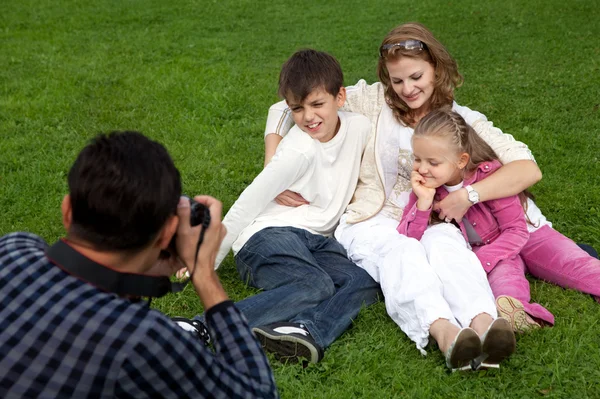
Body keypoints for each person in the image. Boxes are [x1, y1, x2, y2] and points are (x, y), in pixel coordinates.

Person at [264, 22, 599, 365]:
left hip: (432, 218)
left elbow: (527, 168)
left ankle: (485, 326)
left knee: (450, 252)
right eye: (397, 80)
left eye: (416, 77)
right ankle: (447, 335)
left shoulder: (459, 121)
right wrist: (274, 166)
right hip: (371, 218)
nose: (407, 89)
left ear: (435, 69)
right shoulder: (373, 101)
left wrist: (467, 197)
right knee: (403, 255)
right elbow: (284, 108)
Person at [0, 131, 278, 399]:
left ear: (67, 211)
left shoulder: (13, 250)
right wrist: (203, 273)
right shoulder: (141, 340)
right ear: (168, 233)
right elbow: (258, 393)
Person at [208, 49, 380, 364]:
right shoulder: (297, 151)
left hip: (317, 239)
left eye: (317, 105)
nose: (308, 117)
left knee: (364, 281)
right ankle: (204, 328)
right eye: (297, 109)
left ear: (340, 97)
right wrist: (210, 260)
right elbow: (250, 201)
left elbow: (280, 106)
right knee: (313, 284)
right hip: (267, 236)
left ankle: (306, 330)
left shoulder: (360, 127)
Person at [397, 109, 555, 333]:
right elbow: (407, 242)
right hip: (475, 257)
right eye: (417, 159)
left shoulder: (487, 176)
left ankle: (517, 310)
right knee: (494, 284)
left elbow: (515, 230)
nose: (422, 169)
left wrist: (478, 262)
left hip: (502, 246)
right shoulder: (426, 189)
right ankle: (513, 313)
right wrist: (423, 203)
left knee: (516, 274)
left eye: (432, 162)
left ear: (461, 160)